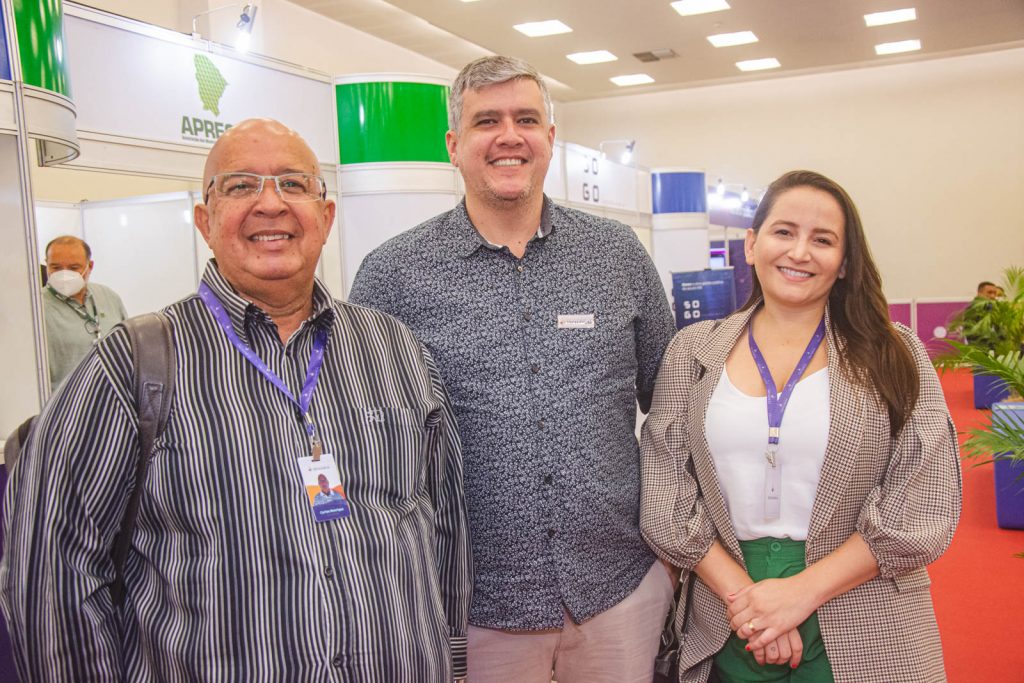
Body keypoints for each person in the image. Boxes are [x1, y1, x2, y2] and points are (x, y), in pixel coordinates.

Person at [1, 119, 471, 682]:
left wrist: (453, 658)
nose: (270, 204)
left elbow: (441, 526)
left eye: (294, 185)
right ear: (205, 220)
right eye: (241, 185)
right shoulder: (131, 366)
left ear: (326, 217)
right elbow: (54, 575)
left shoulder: (394, 349)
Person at [350, 56, 676, 682]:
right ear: (454, 144)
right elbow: (364, 439)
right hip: (475, 606)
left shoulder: (616, 256)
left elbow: (670, 409)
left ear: (550, 139)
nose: (508, 136)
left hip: (616, 590)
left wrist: (674, 554)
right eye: (486, 121)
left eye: (526, 119)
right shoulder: (391, 275)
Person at [640, 170, 961, 682]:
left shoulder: (894, 354)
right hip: (726, 606)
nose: (800, 252)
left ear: (845, 262)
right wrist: (749, 601)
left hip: (865, 603)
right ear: (751, 244)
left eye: (823, 240)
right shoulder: (692, 351)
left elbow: (922, 500)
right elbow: (664, 490)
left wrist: (797, 595)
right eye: (784, 232)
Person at [41, 235, 127, 391]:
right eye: (56, 267)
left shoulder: (108, 297)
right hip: (63, 405)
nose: (64, 275)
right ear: (46, 265)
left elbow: (126, 347)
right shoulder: (36, 308)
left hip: (109, 398)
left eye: (74, 268)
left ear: (90, 266)